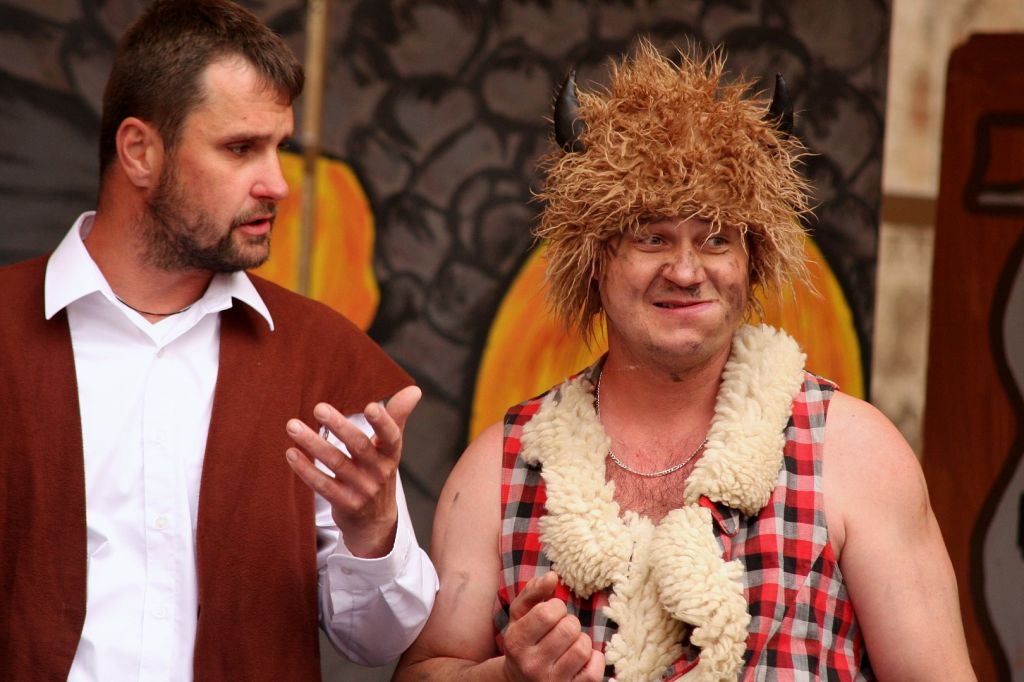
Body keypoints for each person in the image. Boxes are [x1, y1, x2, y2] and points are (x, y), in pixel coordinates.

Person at [395, 41, 975, 681]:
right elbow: (424, 671)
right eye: (652, 237)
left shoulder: (856, 454)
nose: (686, 270)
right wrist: (505, 678)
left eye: (716, 238)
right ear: (596, 262)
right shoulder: (501, 469)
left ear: (751, 261)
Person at [0, 0, 437, 679]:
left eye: (279, 147)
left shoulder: (322, 357)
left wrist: (373, 531)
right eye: (240, 148)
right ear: (140, 151)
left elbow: (376, 644)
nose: (278, 184)